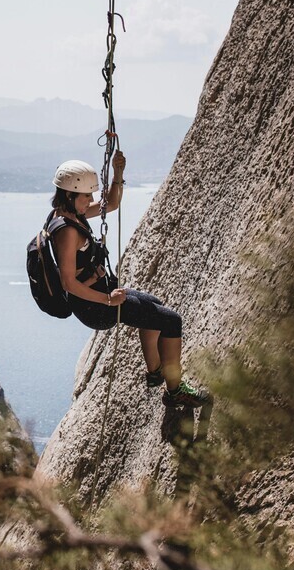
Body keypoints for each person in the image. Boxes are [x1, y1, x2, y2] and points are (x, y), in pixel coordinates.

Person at [49, 156, 210, 408]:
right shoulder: (67, 231)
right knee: (171, 320)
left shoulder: (70, 214)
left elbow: (111, 204)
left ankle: (155, 372)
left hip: (101, 294)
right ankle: (175, 391)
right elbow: (68, 283)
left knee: (154, 305)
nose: (90, 200)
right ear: (69, 194)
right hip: (96, 306)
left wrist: (117, 172)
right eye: (86, 196)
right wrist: (108, 300)